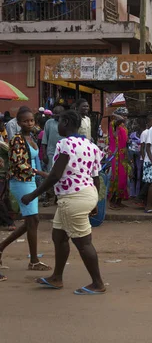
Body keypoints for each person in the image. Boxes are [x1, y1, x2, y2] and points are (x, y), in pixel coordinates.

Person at [21, 110, 106, 294]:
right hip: (87, 194)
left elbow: (55, 175)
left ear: (66, 122)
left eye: (59, 121)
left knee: (83, 243)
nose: (56, 125)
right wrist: (95, 204)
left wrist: (32, 195)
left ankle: (98, 283)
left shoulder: (65, 144)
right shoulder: (90, 145)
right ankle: (57, 277)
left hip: (72, 197)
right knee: (59, 237)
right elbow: (96, 177)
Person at [0, 107, 51, 274]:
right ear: (18, 122)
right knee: (32, 220)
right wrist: (40, 172)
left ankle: (2, 247)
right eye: (25, 121)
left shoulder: (31, 137)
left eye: (31, 120)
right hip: (20, 182)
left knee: (33, 221)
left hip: (30, 181)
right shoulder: (17, 139)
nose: (29, 123)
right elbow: (18, 162)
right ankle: (34, 261)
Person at [108, 107, 130, 208]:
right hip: (116, 155)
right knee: (117, 177)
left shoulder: (123, 126)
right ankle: (112, 201)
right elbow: (120, 120)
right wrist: (116, 115)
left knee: (124, 178)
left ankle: (119, 200)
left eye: (126, 115)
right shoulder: (114, 124)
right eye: (123, 114)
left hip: (123, 154)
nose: (125, 117)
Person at [135, 115, 152, 207]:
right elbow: (142, 147)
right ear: (148, 123)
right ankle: (140, 198)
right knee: (146, 181)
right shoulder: (145, 133)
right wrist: (144, 158)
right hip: (146, 160)